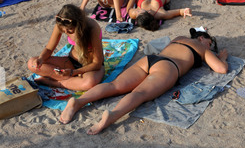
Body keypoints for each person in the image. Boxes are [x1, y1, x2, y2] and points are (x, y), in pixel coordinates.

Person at [59, 28, 228, 130]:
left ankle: (78, 102)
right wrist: (222, 57)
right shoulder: (201, 47)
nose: (210, 47)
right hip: (168, 67)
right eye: (210, 43)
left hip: (150, 60)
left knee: (115, 85)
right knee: (139, 94)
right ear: (201, 38)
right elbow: (221, 69)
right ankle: (113, 115)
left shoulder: (178, 39)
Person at [28, 4, 104, 91]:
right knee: (32, 63)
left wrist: (74, 72)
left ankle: (54, 83)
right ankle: (72, 81)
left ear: (79, 25)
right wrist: (41, 59)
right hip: (71, 62)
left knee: (90, 82)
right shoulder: (62, 23)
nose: (66, 32)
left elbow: (97, 64)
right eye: (63, 30)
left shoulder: (92, 28)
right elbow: (49, 48)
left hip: (90, 66)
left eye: (70, 30)